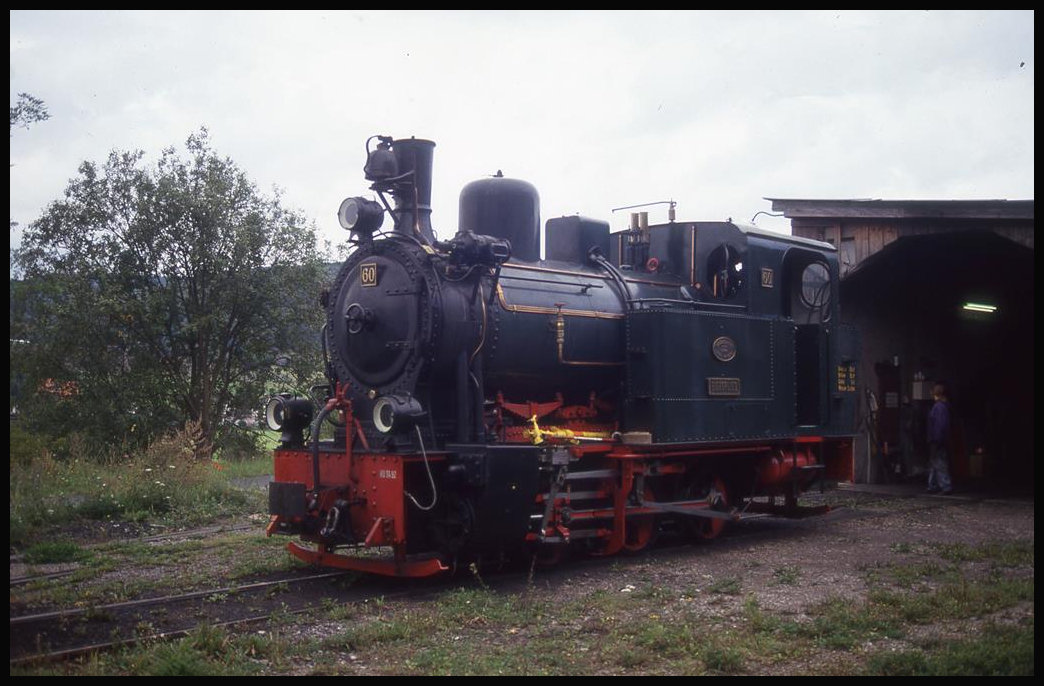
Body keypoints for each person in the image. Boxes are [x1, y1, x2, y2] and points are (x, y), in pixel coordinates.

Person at [925, 383, 953, 495]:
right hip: (938, 439)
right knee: (934, 463)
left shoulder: (939, 407)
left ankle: (946, 486)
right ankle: (932, 485)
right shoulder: (941, 406)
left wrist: (936, 439)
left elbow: (939, 425)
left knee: (939, 463)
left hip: (937, 440)